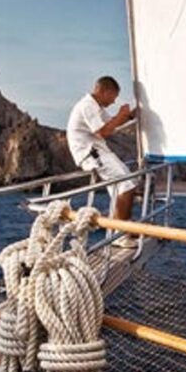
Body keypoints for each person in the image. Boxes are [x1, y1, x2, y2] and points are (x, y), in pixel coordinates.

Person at [66, 76, 139, 247]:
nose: (113, 102)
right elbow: (103, 132)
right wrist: (121, 115)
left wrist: (128, 116)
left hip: (98, 151)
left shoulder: (95, 106)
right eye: (113, 97)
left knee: (126, 184)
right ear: (105, 91)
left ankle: (122, 229)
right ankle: (121, 234)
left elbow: (112, 125)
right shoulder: (88, 105)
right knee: (126, 185)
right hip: (91, 153)